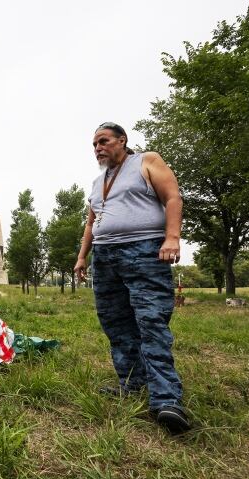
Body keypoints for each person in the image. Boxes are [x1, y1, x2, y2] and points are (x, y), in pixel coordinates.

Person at [73, 122, 190, 434]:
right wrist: (83, 256)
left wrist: (172, 238)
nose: (98, 147)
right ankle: (132, 383)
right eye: (94, 144)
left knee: (150, 321)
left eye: (104, 140)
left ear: (122, 140)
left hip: (145, 251)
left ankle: (166, 399)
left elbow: (173, 198)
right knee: (116, 323)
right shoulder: (98, 182)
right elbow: (91, 222)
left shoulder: (147, 161)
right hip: (105, 257)